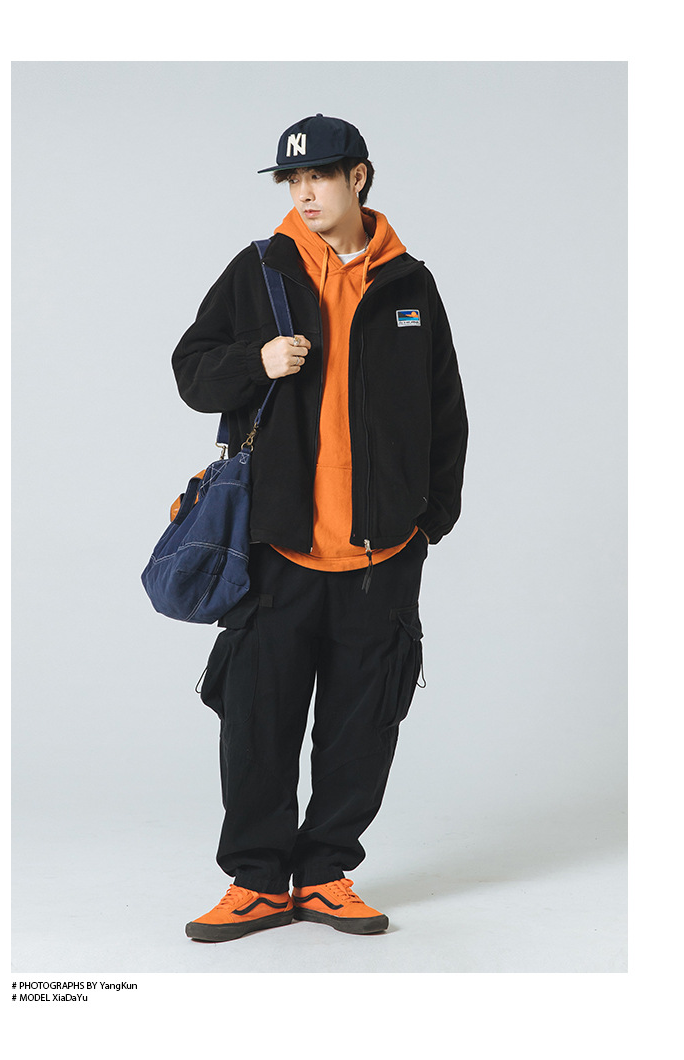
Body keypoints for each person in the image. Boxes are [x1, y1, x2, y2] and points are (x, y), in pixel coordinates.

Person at [172, 113, 468, 943]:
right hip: (278, 547)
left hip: (382, 552)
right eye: (292, 179)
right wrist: (255, 361)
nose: (304, 192)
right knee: (258, 723)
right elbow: (192, 372)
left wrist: (430, 519)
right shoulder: (260, 269)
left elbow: (447, 410)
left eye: (320, 177)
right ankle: (258, 884)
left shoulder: (410, 283)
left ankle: (327, 874)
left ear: (357, 178)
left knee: (362, 723)